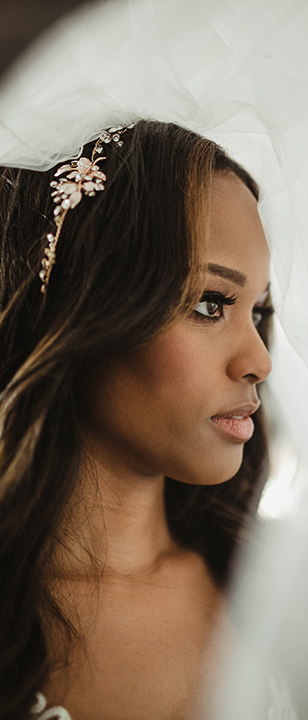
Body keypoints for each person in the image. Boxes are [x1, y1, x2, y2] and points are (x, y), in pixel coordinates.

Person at [0, 119, 275, 720]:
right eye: (211, 303)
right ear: (86, 300)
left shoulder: (279, 586)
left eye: (260, 311)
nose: (260, 360)